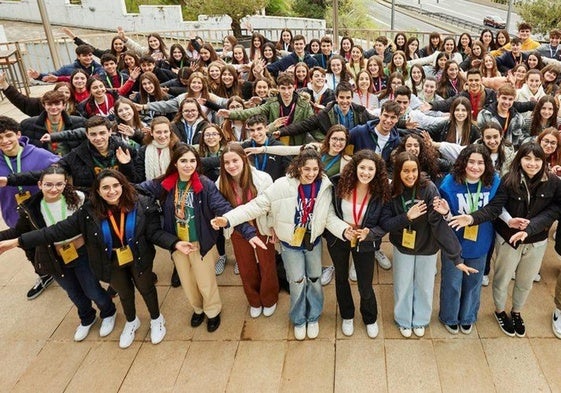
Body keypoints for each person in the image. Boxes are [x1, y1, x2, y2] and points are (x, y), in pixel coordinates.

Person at [0, 169, 196, 348]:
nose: (111, 191)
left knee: (146, 288)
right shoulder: (88, 212)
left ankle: (156, 318)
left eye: (115, 186)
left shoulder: (142, 204)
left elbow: (154, 233)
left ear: (123, 185)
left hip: (139, 257)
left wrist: (175, 243)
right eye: (106, 188)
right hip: (110, 261)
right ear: (98, 191)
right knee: (125, 292)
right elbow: (53, 232)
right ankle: (131, 320)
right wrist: (17, 241)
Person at [212, 147, 353, 340]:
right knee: (296, 282)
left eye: (314, 169)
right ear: (298, 168)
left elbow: (329, 217)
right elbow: (254, 206)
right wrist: (228, 219)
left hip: (313, 242)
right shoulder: (281, 186)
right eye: (306, 169)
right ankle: (299, 319)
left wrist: (344, 230)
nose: (310, 174)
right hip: (290, 244)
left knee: (314, 280)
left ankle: (313, 317)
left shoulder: (324, 188)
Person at [137, 144, 266, 333]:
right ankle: (198, 309)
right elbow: (135, 190)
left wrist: (248, 232)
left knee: (205, 281)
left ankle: (212, 312)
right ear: (175, 163)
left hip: (200, 243)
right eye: (183, 161)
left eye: (192, 161)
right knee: (187, 282)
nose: (188, 165)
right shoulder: (165, 183)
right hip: (177, 244)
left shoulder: (204, 184)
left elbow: (224, 209)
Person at [450, 142, 561, 337]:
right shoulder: (509, 181)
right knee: (502, 279)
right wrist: (472, 218)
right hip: (508, 240)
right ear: (520, 160)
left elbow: (555, 208)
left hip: (536, 241)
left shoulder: (553, 182)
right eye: (527, 158)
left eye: (537, 159)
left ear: (544, 162)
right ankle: (500, 311)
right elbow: (495, 207)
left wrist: (530, 228)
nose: (532, 163)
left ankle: (516, 311)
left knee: (525, 282)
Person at [0, 165, 117, 341]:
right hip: (54, 258)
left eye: (59, 184)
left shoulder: (80, 198)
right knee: (73, 292)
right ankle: (87, 317)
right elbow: (18, 231)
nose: (53, 189)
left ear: (65, 184)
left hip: (82, 253)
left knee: (92, 288)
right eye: (48, 185)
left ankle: (108, 312)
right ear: (40, 185)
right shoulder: (31, 208)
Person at [380, 152, 464, 338]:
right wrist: (406, 217)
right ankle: (403, 319)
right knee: (403, 284)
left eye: (414, 170)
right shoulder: (391, 191)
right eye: (405, 171)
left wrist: (455, 255)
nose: (410, 175)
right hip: (403, 247)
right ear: (398, 172)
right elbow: (386, 223)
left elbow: (437, 223)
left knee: (425, 285)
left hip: (427, 247)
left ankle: (420, 319)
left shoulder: (429, 189)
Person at [435, 145, 500, 335]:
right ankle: (449, 316)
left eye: (480, 162)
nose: (475, 167)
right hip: (454, 243)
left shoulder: (493, 182)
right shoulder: (449, 184)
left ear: (487, 165)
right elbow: (443, 216)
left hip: (480, 241)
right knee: (452, 283)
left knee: (473, 283)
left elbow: (496, 208)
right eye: (471, 161)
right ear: (463, 162)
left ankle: (468, 316)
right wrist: (447, 213)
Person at [326, 150, 390, 338]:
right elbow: (329, 212)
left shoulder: (381, 190)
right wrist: (342, 230)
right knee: (341, 277)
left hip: (365, 240)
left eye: (371, 168)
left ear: (377, 171)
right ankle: (347, 315)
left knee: (365, 282)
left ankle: (370, 317)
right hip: (340, 237)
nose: (366, 172)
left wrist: (371, 233)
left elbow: (384, 222)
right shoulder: (338, 184)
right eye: (362, 167)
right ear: (355, 167)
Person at [216, 143, 279, 317]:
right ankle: (254, 299)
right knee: (245, 266)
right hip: (238, 229)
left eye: (235, 160)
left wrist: (274, 226)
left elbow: (272, 206)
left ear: (244, 158)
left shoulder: (263, 178)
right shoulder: (220, 182)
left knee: (267, 264)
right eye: (227, 163)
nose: (231, 166)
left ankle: (269, 298)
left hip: (261, 225)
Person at [0, 116, 59, 299]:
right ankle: (44, 275)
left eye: (8, 135)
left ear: (18, 134)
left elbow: (62, 169)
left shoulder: (39, 154)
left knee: (55, 243)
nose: (4, 141)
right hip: (14, 215)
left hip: (44, 214)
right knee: (29, 248)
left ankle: (68, 273)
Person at [276, 82, 376, 142]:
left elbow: (377, 121)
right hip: (334, 149)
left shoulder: (360, 112)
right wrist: (281, 131)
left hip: (354, 149)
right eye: (341, 97)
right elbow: (303, 125)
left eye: (348, 98)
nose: (345, 101)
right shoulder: (325, 114)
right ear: (336, 98)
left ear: (352, 98)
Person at [20, 90, 85, 156]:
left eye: (57, 104)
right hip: (44, 163)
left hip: (70, 162)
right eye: (49, 104)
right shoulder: (28, 124)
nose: (53, 107)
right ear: (44, 105)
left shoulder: (79, 122)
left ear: (64, 105)